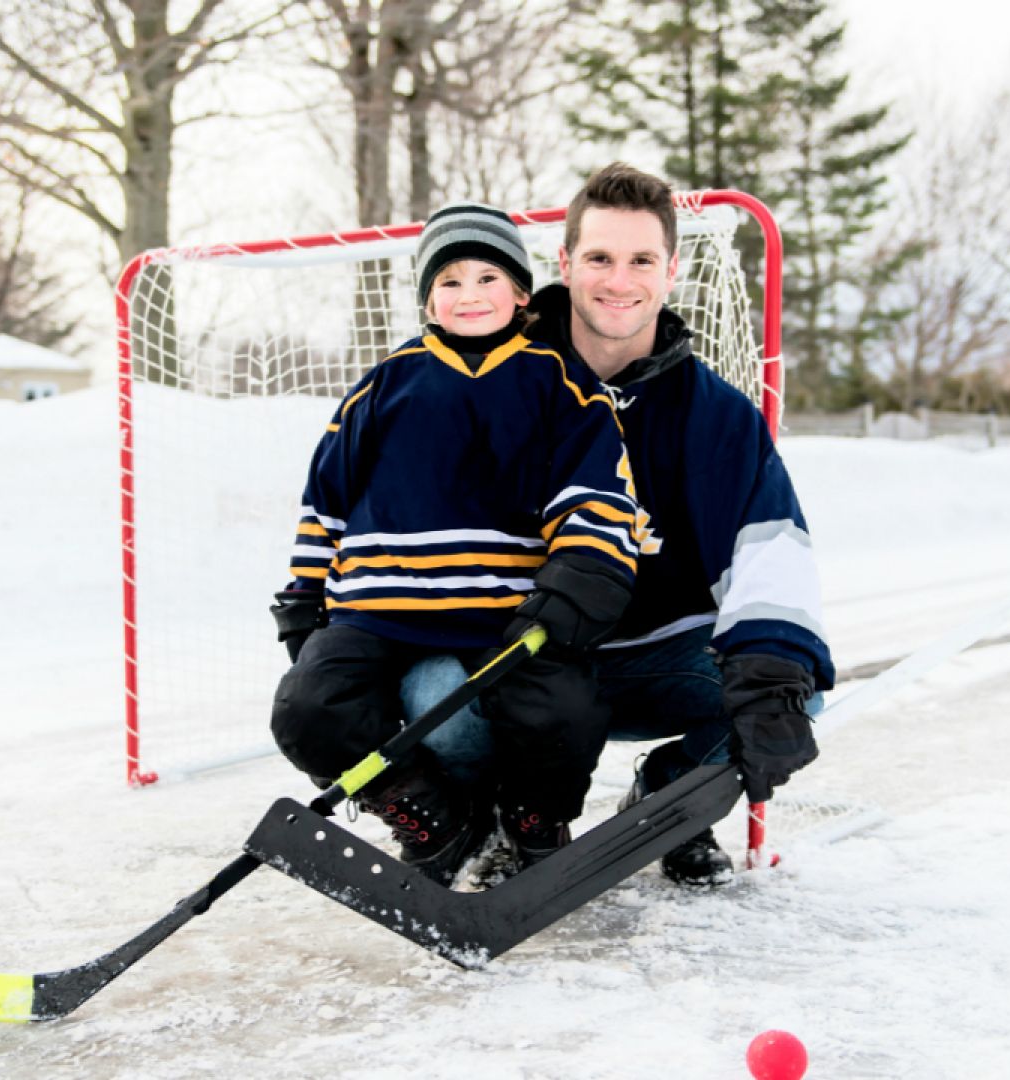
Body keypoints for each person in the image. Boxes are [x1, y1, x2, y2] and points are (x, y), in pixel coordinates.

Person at [405, 163, 836, 887]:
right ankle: (500, 814)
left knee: (788, 690)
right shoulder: (484, 380)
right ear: (566, 264)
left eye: (640, 260)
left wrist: (774, 668)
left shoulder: (717, 414)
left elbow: (769, 548)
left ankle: (670, 802)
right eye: (599, 258)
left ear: (670, 271)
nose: (618, 280)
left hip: (657, 661)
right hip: (524, 655)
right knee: (429, 696)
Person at [268, 201, 645, 886]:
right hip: (377, 612)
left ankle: (533, 818)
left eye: (486, 278)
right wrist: (303, 594)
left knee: (564, 711)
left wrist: (577, 578)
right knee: (307, 710)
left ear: (521, 293)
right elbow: (325, 502)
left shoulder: (559, 384)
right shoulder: (381, 387)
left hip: (501, 613)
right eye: (449, 281)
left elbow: (594, 497)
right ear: (426, 298)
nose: (468, 295)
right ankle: (432, 814)